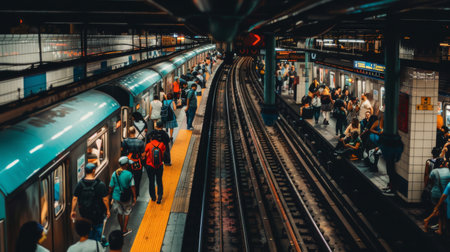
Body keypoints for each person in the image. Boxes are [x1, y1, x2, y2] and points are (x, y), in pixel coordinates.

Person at [71, 163, 110, 241]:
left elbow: (75, 198)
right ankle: (97, 244)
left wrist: (72, 211)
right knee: (98, 230)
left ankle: (89, 241)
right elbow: (105, 199)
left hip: (85, 215)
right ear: (93, 170)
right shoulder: (100, 184)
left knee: (88, 231)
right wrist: (108, 210)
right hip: (98, 215)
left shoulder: (80, 184)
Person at [109, 157, 137, 236]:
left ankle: (121, 228)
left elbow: (111, 186)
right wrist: (134, 197)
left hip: (116, 196)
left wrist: (109, 196)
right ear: (126, 165)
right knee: (127, 212)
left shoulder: (115, 173)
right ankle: (124, 230)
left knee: (120, 212)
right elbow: (132, 186)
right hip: (126, 197)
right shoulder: (129, 174)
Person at [144, 129, 167, 204]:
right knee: (159, 181)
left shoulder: (148, 145)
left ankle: (153, 197)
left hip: (150, 166)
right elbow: (163, 154)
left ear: (151, 138)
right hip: (159, 165)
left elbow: (144, 155)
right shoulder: (162, 144)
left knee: (151, 181)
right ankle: (159, 197)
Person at [121, 127, 145, 197]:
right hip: (138, 163)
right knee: (137, 179)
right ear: (135, 132)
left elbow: (123, 152)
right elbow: (143, 155)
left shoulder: (125, 141)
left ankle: (130, 193)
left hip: (128, 163)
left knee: (129, 178)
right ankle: (136, 193)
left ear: (128, 132)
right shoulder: (140, 142)